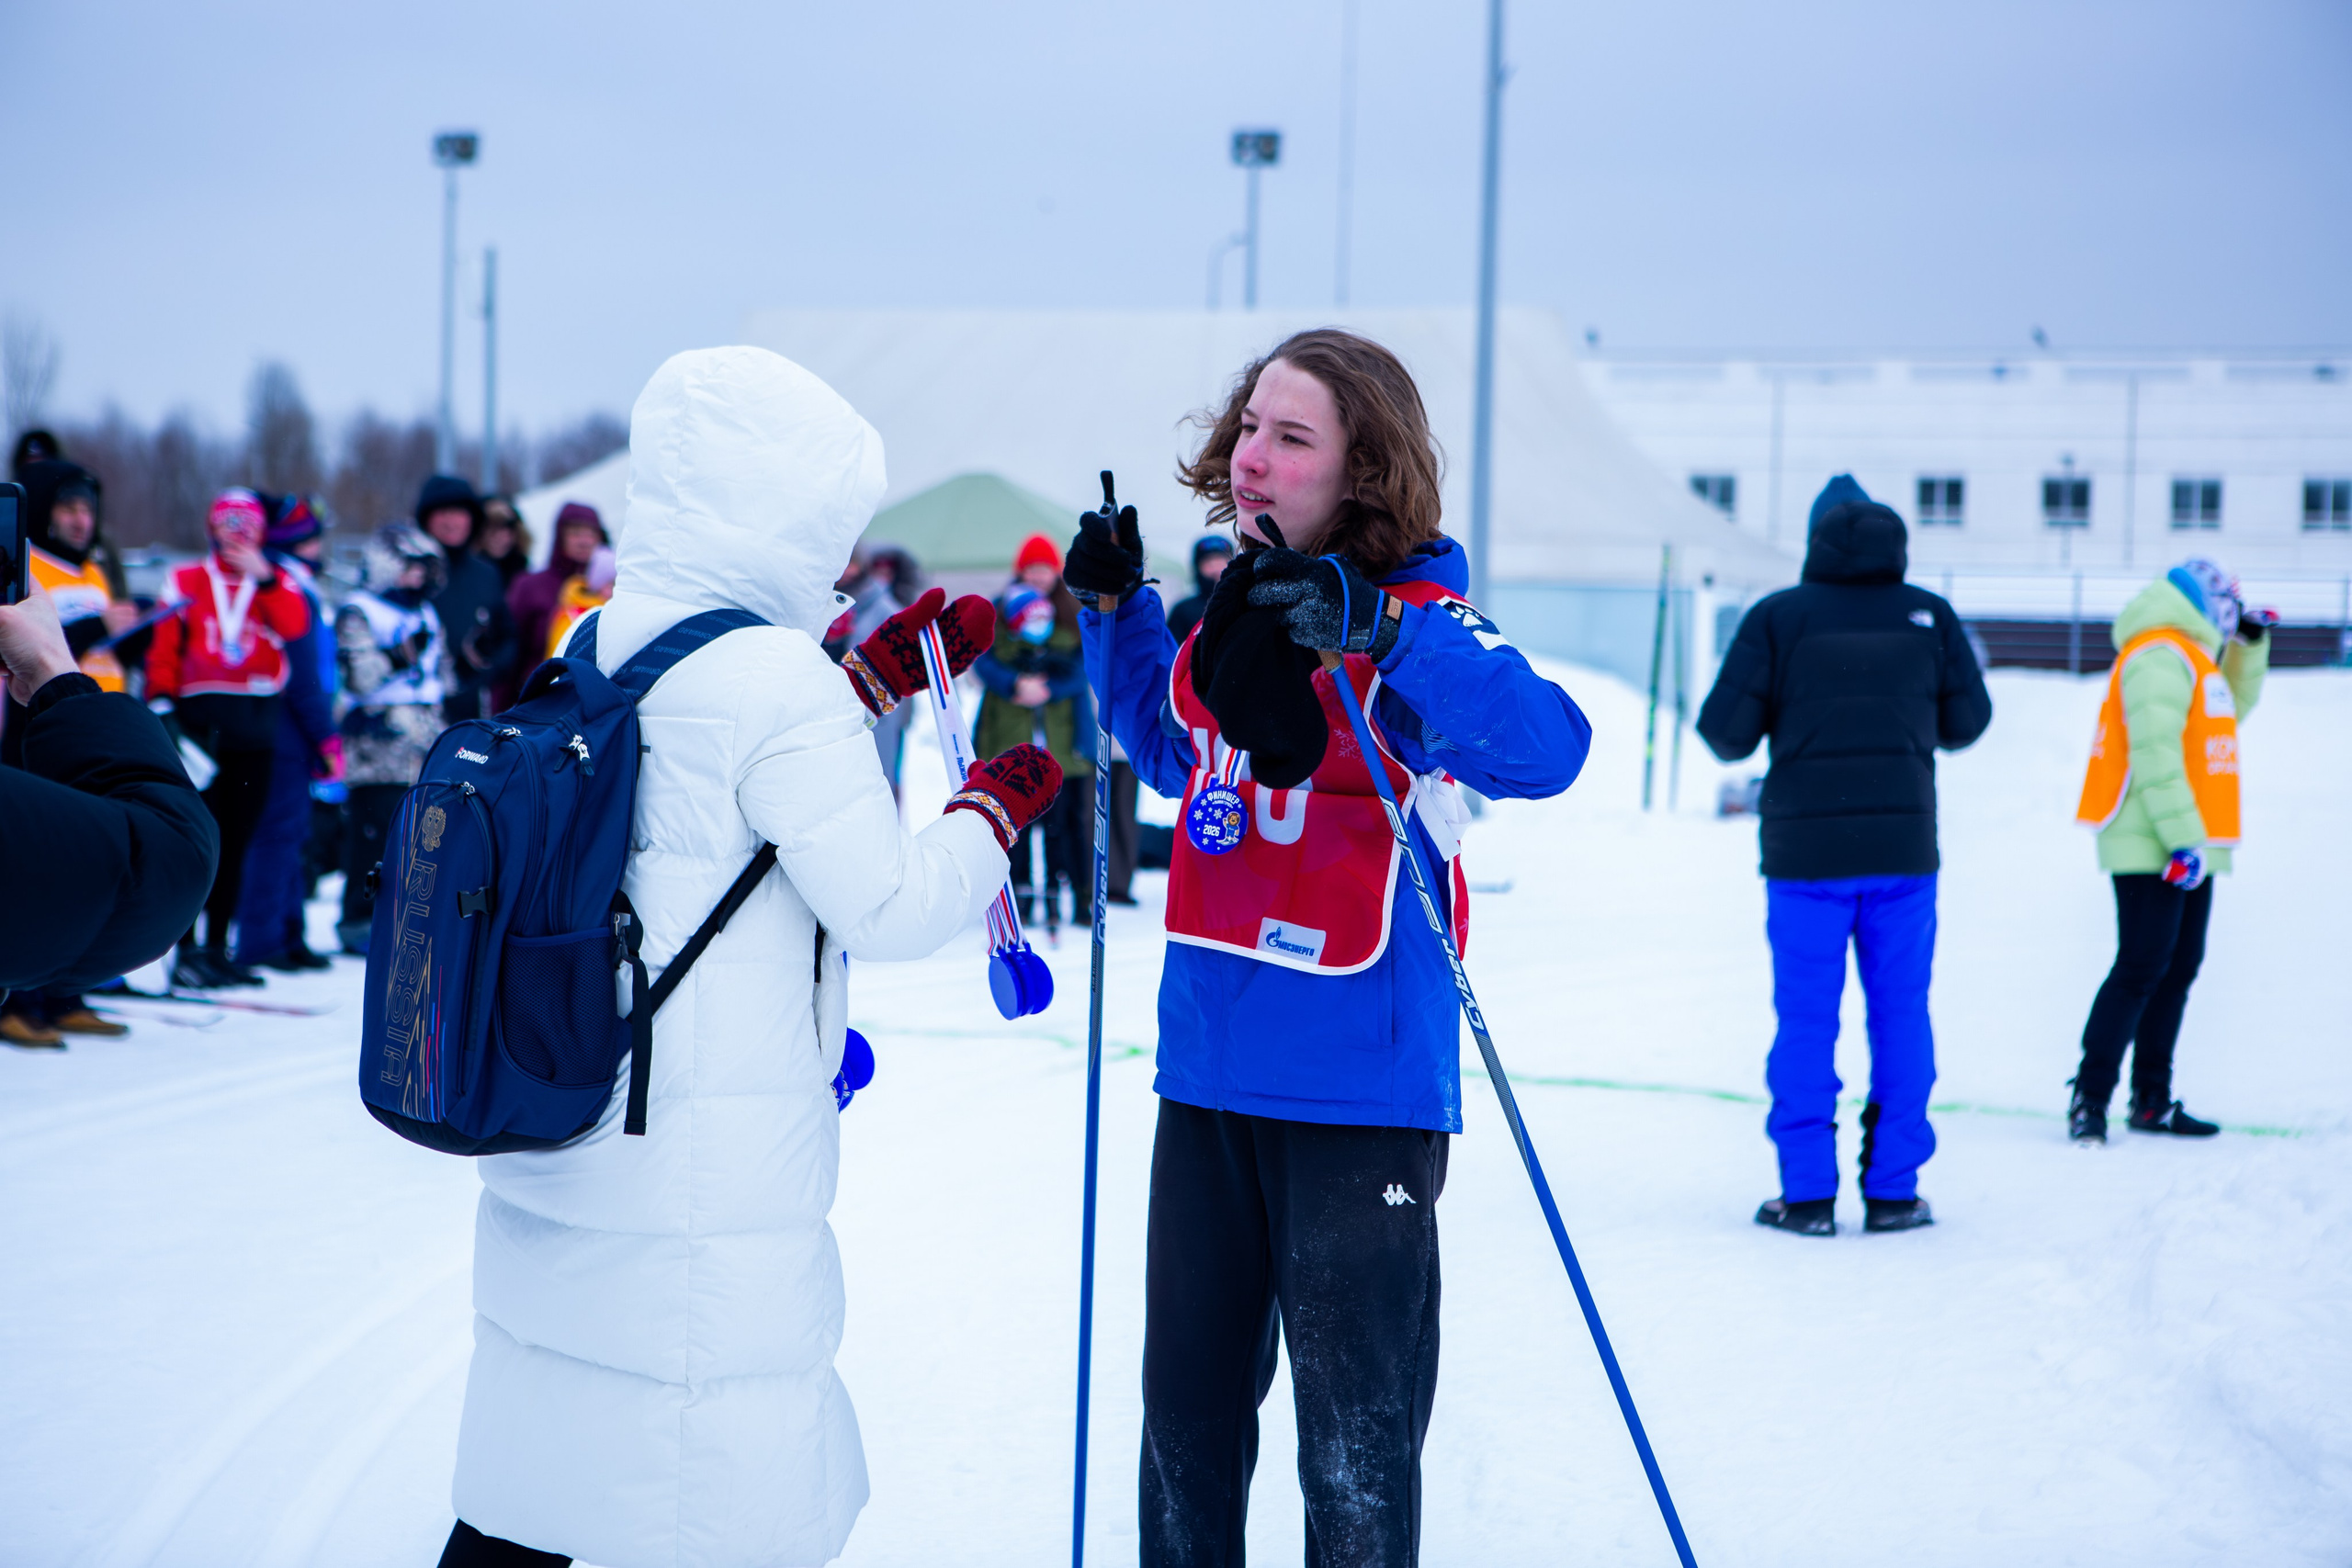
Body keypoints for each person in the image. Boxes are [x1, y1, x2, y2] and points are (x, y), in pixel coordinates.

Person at [439, 345, 1057, 1568]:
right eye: (828, 520)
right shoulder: (778, 680)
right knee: (706, 1470)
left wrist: (854, 687)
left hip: (571, 1097)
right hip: (700, 1160)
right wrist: (989, 810)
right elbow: (888, 905)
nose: (837, 554)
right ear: (777, 506)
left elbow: (690, 802)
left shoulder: (596, 636)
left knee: (552, 1422)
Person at [1065, 327, 1590, 1565]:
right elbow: (1179, 754)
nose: (1250, 456)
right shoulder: (1237, 609)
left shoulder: (1416, 615)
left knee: (1352, 1454)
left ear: (1363, 469)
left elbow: (1546, 749)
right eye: (1249, 425)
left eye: (1290, 436)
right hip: (1208, 1079)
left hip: (1358, 1095)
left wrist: (1384, 633)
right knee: (1186, 1429)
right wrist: (1117, 612)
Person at [1696, 474, 1991, 1237]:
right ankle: (1894, 1192)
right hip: (1903, 857)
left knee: (1805, 1023)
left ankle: (1807, 1196)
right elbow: (1968, 722)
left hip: (1806, 861)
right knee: (1903, 1017)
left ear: (1815, 541)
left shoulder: (1778, 617)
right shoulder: (1929, 615)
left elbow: (1724, 732)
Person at [2066, 558, 2270, 1144]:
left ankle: (2151, 1100)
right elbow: (2154, 753)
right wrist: (2183, 839)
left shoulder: (2194, 657)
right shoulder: (2158, 653)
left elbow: (2231, 709)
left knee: (2178, 968)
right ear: (2201, 604)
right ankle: (2090, 1097)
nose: (2230, 617)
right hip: (2150, 838)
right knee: (2141, 966)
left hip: (2188, 839)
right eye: (2227, 608)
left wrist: (2249, 646)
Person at [0, 583, 219, 1017]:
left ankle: (55, 1007)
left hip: (73, 747)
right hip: (70, 739)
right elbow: (167, 861)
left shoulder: (96, 569)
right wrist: (54, 670)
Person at [1, 458, 149, 1042]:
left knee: (84, 870)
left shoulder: (92, 571)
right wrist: (94, 628)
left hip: (92, 728)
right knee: (35, 870)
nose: (81, 520)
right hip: (36, 728)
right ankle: (18, 1001)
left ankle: (65, 996)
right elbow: (30, 639)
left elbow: (102, 649)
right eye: (68, 507)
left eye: (88, 508)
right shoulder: (26, 565)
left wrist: (138, 634)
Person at [144, 489, 313, 990]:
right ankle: (186, 950)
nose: (238, 535)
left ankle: (218, 949)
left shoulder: (275, 580)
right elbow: (163, 648)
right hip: (201, 723)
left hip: (256, 724)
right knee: (199, 839)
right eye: (229, 524)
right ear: (212, 528)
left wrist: (266, 578)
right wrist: (162, 704)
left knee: (238, 841)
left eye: (248, 525)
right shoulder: (186, 579)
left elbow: (295, 626)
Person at [229, 493, 342, 973]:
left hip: (288, 726)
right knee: (276, 834)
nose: (320, 548)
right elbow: (303, 673)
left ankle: (289, 933)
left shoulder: (291, 581)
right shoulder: (289, 585)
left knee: (292, 833)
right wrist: (325, 736)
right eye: (313, 539)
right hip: (287, 728)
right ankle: (262, 939)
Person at [333, 522, 451, 956]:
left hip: (423, 743)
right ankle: (358, 921)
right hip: (377, 746)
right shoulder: (360, 610)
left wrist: (476, 660)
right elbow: (359, 678)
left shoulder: (425, 612)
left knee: (419, 840)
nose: (418, 578)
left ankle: (405, 922)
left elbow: (441, 674)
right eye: (410, 568)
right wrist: (400, 655)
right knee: (374, 838)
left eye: (424, 569)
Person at [972, 534, 1095, 931]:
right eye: (1032, 568)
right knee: (1014, 822)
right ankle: (1018, 899)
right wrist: (1014, 684)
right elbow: (983, 659)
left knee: (1068, 823)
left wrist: (1049, 688)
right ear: (1020, 570)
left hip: (1064, 733)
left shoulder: (1073, 611)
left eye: (1046, 569)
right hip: (1008, 729)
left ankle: (1076, 897)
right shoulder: (999, 609)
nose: (1040, 576)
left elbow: (1085, 665)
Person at [415, 473, 517, 723]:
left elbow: (508, 638)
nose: (452, 521)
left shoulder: (486, 574)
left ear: (473, 519)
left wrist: (486, 671)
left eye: (460, 512)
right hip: (415, 713)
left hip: (471, 715)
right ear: (426, 518)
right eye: (443, 512)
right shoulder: (410, 573)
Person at [504, 501, 607, 682]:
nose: (585, 541)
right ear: (560, 537)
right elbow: (510, 652)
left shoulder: (613, 588)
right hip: (542, 692)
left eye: (592, 533)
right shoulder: (530, 586)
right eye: (575, 533)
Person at [849, 544, 920, 798]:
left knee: (884, 774)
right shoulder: (855, 603)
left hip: (889, 709)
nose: (883, 576)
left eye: (889, 571)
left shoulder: (890, 606)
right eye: (878, 570)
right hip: (858, 703)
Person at [541, 545, 616, 659]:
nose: (615, 590)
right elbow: (558, 655)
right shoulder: (572, 614)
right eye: (611, 584)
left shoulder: (613, 613)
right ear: (597, 585)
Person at [1165, 530, 1234, 643]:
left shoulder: (1244, 604)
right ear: (1197, 567)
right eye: (1209, 563)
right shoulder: (1183, 610)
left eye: (1221, 561)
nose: (1216, 569)